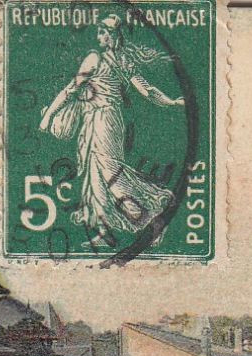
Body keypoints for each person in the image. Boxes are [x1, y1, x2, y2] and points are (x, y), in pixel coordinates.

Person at [39, 13, 183, 248]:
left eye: (103, 32)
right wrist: (171, 102)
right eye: (98, 31)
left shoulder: (95, 59)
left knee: (110, 175)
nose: (99, 36)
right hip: (103, 120)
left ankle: (154, 218)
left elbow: (70, 90)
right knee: (96, 177)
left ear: (113, 35)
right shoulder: (123, 61)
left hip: (102, 121)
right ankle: (105, 233)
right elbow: (148, 91)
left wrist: (47, 116)